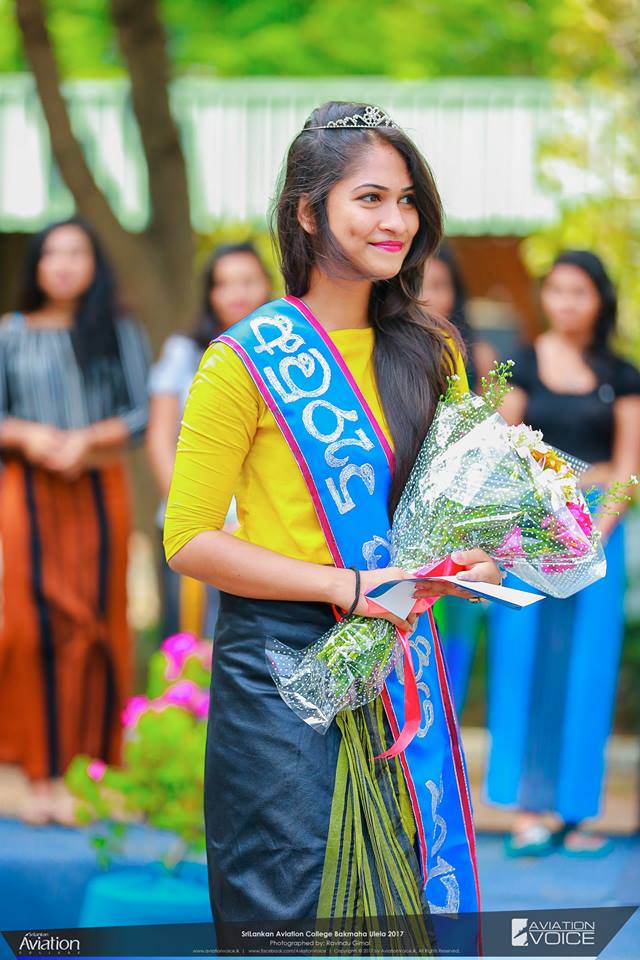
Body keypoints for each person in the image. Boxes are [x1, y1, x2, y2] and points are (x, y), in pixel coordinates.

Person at [164, 101, 502, 943]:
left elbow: (461, 510)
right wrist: (347, 586)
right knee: (291, 910)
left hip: (400, 664)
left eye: (408, 200)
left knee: (404, 900)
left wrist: (478, 558)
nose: (396, 221)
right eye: (371, 198)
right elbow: (189, 539)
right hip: (282, 670)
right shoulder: (242, 360)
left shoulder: (434, 351)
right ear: (309, 213)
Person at [486, 250, 640, 857]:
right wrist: (542, 518)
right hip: (531, 523)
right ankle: (526, 809)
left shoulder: (622, 373)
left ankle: (576, 811)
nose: (567, 302)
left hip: (599, 527)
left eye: (580, 292)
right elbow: (501, 451)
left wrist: (594, 532)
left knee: (588, 663)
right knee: (522, 657)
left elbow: (628, 467)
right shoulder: (521, 364)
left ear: (600, 300)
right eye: (557, 290)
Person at [0, 218, 150, 824]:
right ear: (36, 265)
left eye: (76, 253)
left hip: (96, 485)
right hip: (28, 492)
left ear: (94, 265)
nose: (63, 264)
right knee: (31, 625)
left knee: (96, 621)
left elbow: (140, 413)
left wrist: (85, 442)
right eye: (52, 253)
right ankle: (38, 774)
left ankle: (87, 773)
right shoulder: (11, 334)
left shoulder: (117, 330)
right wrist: (31, 436)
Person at [147, 243, 271, 639]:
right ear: (209, 294)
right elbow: (160, 438)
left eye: (248, 281)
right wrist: (199, 518)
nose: (238, 293)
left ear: (267, 285)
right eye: (224, 283)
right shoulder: (183, 353)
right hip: (195, 527)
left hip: (265, 532)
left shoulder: (285, 356)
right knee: (190, 640)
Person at [421, 242, 496, 710]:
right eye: (419, 284)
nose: (430, 296)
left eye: (440, 285)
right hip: (406, 516)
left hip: (462, 515)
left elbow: (492, 434)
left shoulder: (476, 354)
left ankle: (449, 712)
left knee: (458, 625)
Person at [421, 241, 496, 392]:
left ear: (455, 292)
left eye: (437, 286)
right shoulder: (386, 350)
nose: (426, 298)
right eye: (416, 286)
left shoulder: (480, 356)